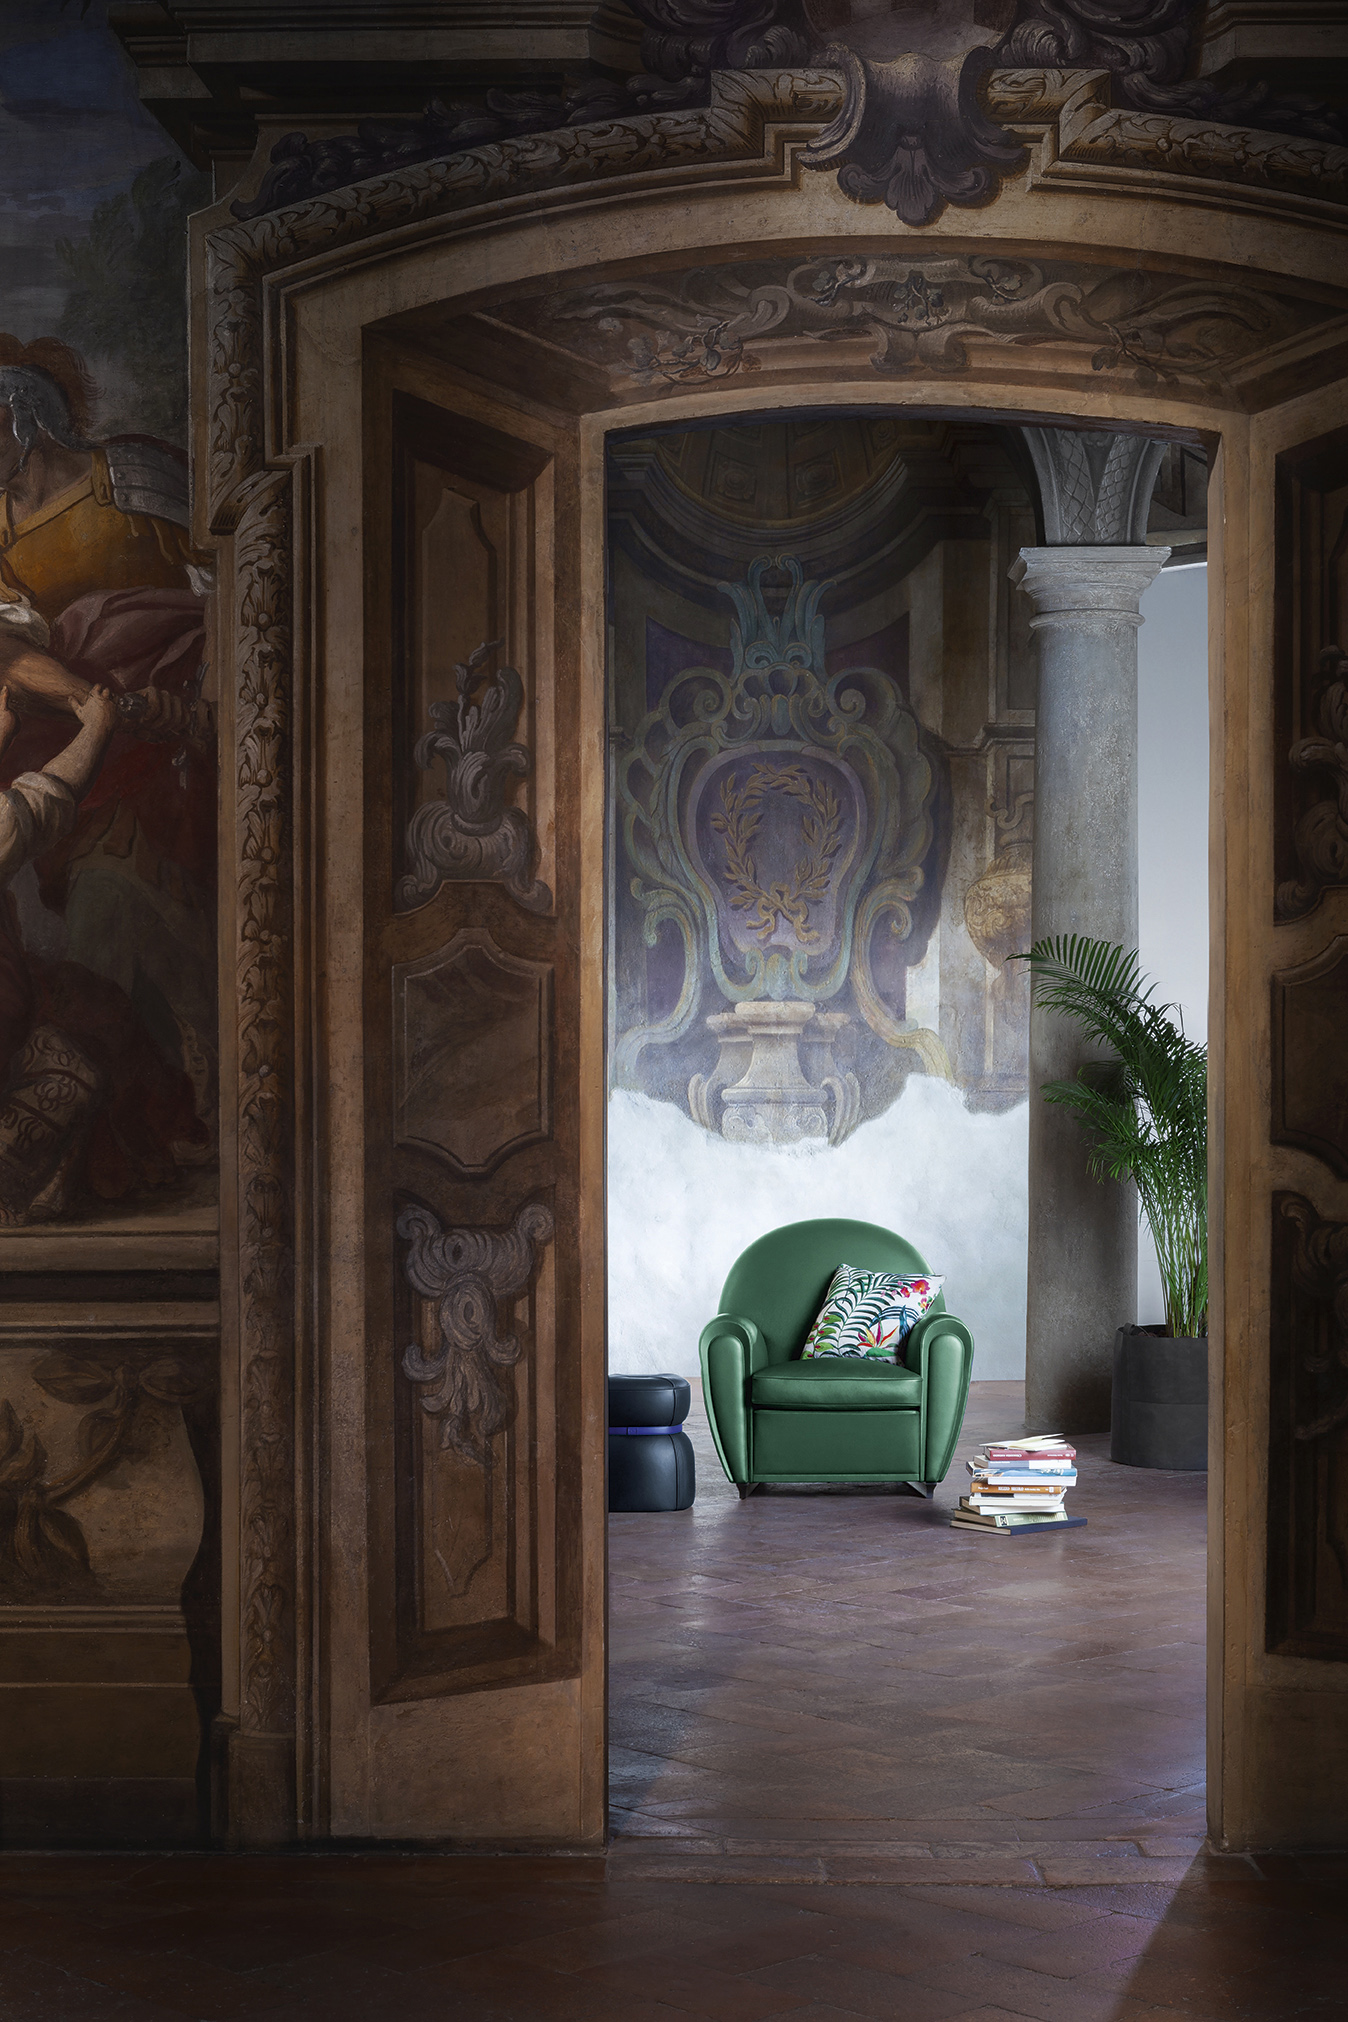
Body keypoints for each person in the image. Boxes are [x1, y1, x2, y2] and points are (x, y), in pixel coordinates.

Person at [0, 336, 216, 1200]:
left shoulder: (129, 481)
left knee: (119, 894)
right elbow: (9, 653)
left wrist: (196, 706)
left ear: (21, 417)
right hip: (80, 743)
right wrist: (94, 701)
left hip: (184, 737)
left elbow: (238, 594)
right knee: (77, 900)